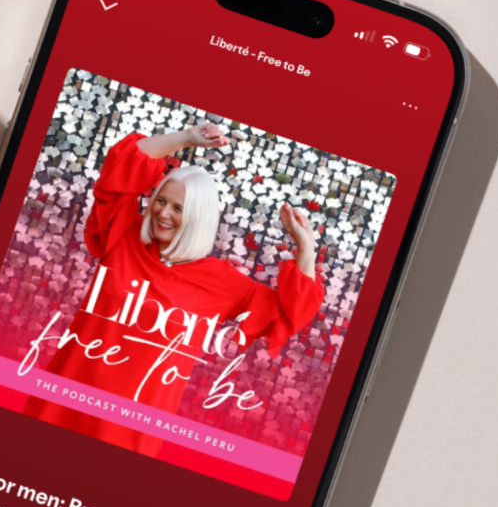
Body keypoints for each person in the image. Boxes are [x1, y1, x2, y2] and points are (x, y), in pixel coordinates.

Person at [23, 124, 324, 456]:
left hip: (130, 430)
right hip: (64, 403)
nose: (163, 212)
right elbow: (123, 162)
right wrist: (187, 139)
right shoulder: (124, 235)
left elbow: (290, 314)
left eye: (178, 208)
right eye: (160, 201)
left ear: (198, 217)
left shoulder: (225, 284)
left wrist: (305, 248)